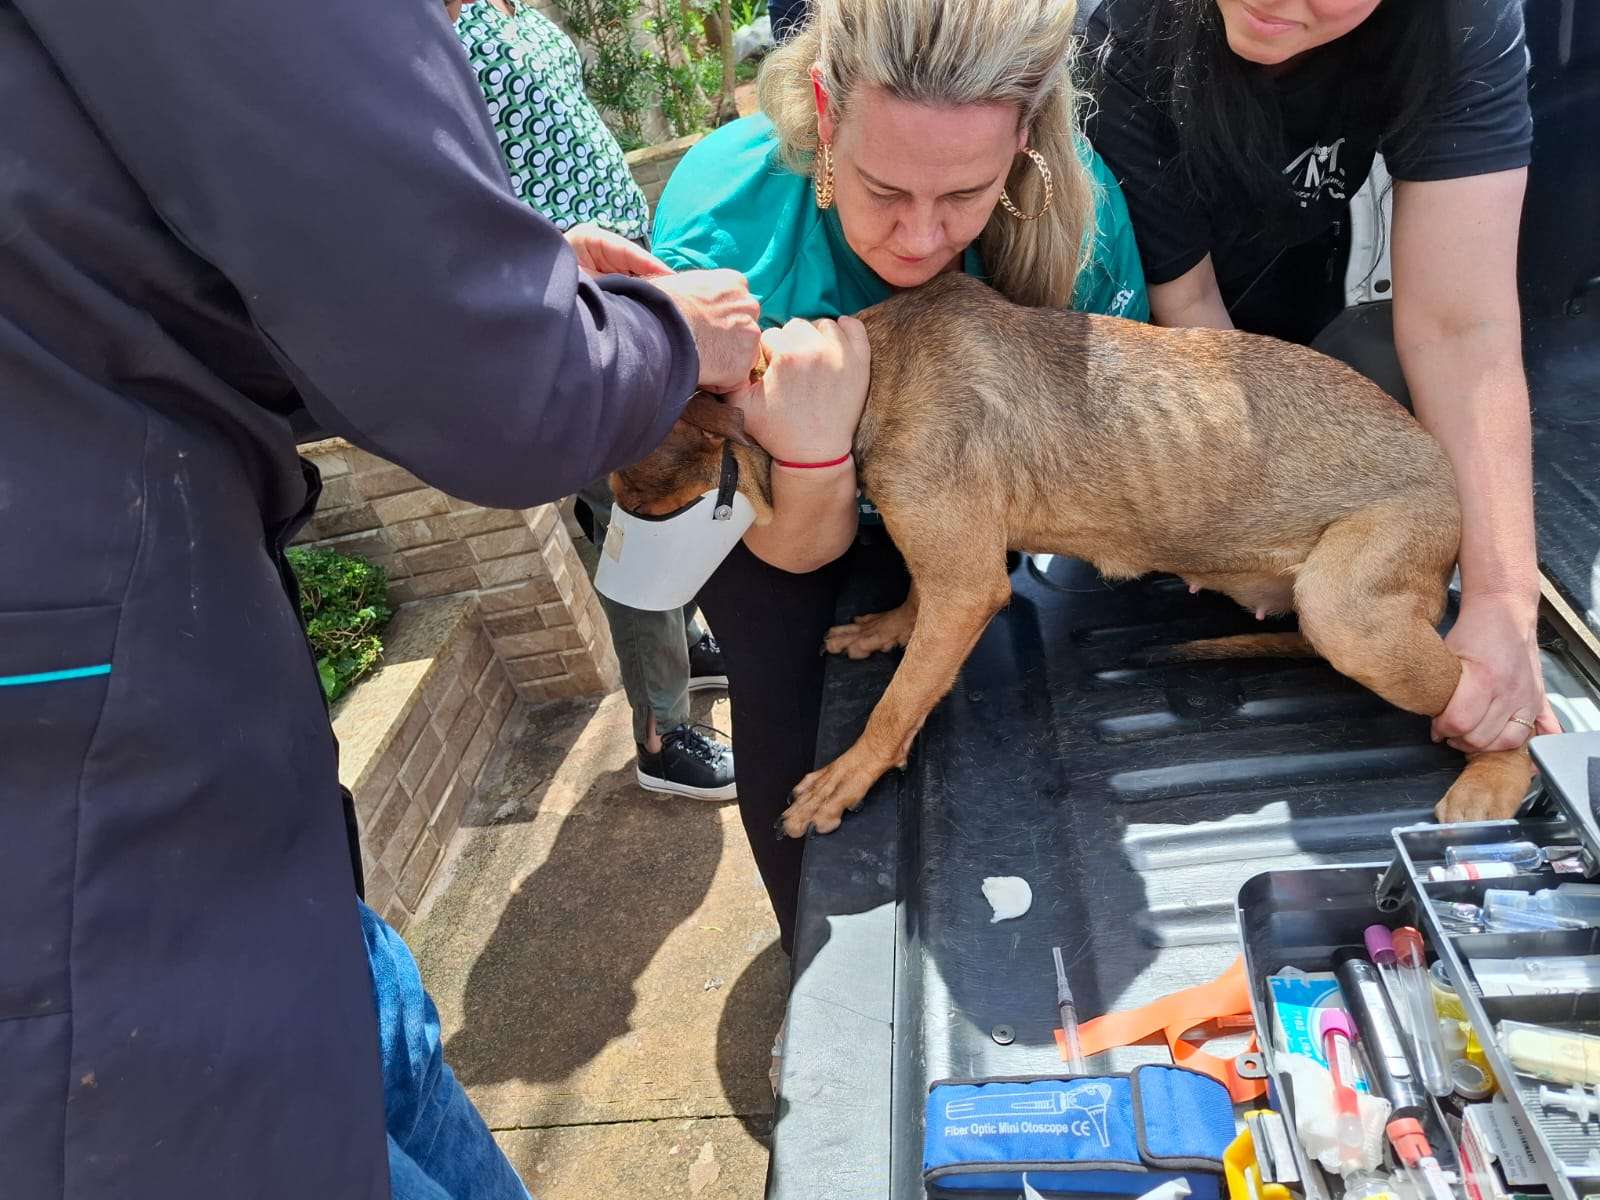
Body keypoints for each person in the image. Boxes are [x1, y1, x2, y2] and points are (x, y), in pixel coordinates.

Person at [0, 0, 763, 1195]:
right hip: (118, 940)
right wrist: (673, 330)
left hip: (212, 825)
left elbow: (151, 301)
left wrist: (535, 287)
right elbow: (505, 393)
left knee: (386, 1036)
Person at [650, 0, 1150, 953]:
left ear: (1024, 139)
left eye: (965, 194)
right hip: (786, 521)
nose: (920, 240)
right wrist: (815, 451)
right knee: (786, 707)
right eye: (881, 190)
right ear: (825, 114)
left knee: (1028, 710)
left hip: (974, 507)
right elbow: (792, 551)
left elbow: (1094, 451)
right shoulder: (725, 230)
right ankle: (818, 976)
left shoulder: (1074, 205)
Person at [1080, 0, 1560, 760]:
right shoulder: (1123, 31)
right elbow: (1193, 315)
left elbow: (1460, 328)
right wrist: (1243, 537)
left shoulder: (1460, 22)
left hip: (1298, 295)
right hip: (1156, 347)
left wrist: (1504, 601)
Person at [454, 0, 736, 800]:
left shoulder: (497, 8)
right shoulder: (415, 29)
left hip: (620, 281)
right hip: (565, 311)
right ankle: (661, 732)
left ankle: (683, 644)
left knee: (668, 492)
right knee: (634, 518)